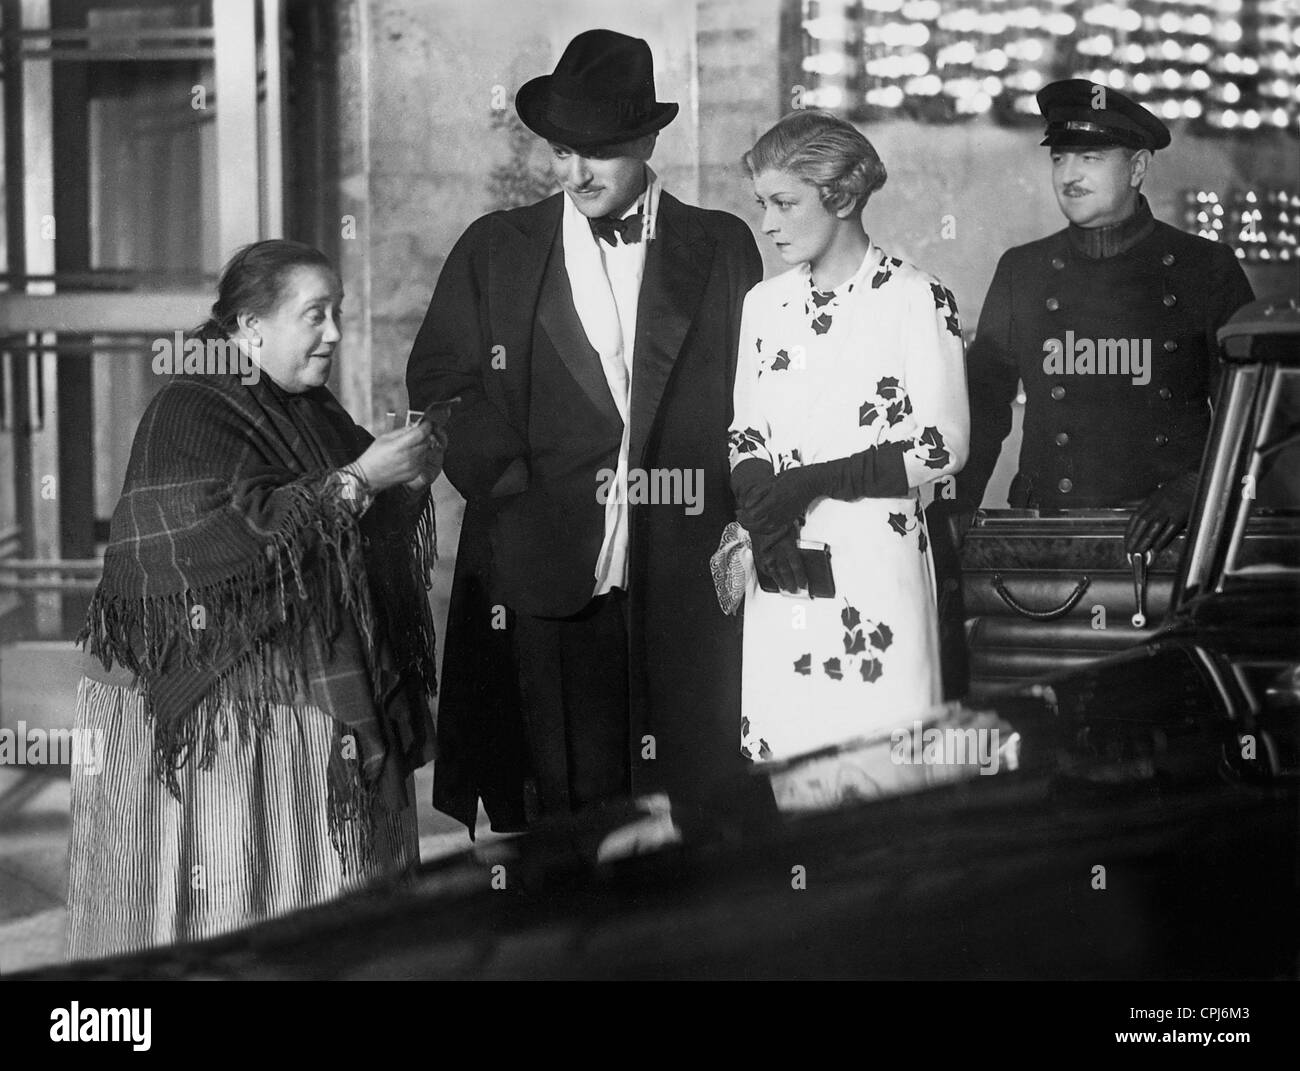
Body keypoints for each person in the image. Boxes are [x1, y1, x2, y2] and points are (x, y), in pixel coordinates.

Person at [406, 29, 763, 831]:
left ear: (646, 139)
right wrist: (513, 490)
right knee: (557, 815)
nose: (573, 174)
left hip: (682, 579)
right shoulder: (496, 249)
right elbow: (440, 381)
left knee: (690, 811)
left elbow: (755, 395)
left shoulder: (722, 246)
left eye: (595, 153)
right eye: (562, 153)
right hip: (545, 582)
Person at [68, 240, 443, 959]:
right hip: (236, 720)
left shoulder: (309, 406)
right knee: (249, 891)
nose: (334, 332)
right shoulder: (190, 408)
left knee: (327, 902)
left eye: (336, 312)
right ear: (249, 328)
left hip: (303, 708)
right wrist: (363, 475)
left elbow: (352, 525)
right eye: (316, 315)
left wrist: (409, 476)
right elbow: (230, 547)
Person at [729, 110, 969, 796]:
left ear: (841, 197)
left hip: (874, 568)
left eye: (784, 203)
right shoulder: (762, 304)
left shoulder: (918, 299)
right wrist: (764, 511)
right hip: (782, 568)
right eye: (761, 205)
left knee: (880, 781)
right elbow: (745, 428)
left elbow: (942, 444)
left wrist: (813, 480)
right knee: (790, 778)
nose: (768, 224)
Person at [947, 80, 1255, 554]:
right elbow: (985, 406)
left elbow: (1249, 408)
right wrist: (955, 511)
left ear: (1136, 168)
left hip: (1169, 534)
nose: (1069, 175)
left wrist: (1195, 488)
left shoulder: (1206, 268)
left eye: (1090, 158)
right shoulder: (1022, 270)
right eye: (1059, 159)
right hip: (1047, 531)